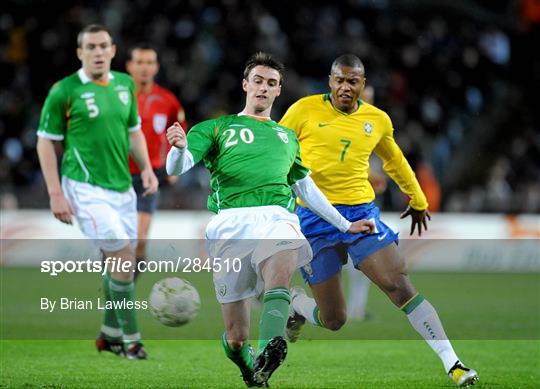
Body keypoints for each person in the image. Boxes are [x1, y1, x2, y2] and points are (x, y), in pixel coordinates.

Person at [165, 52, 375, 387]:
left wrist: (344, 224)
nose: (264, 88)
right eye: (259, 81)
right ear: (246, 85)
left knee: (280, 270)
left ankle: (269, 349)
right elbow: (178, 167)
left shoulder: (287, 137)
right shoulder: (216, 128)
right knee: (235, 337)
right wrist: (177, 149)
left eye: (272, 83)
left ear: (279, 91)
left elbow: (305, 186)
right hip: (230, 223)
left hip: (278, 216)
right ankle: (251, 366)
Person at [279, 54, 479, 387]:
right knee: (334, 319)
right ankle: (298, 307)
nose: (345, 87)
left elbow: (395, 161)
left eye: (352, 81)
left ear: (363, 84)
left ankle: (453, 363)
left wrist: (418, 198)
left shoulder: (377, 120)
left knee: (398, 285)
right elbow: (275, 150)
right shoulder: (302, 110)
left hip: (360, 215)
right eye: (339, 80)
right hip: (314, 220)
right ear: (330, 81)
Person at [36, 24, 158, 360]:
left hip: (123, 190)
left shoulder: (124, 85)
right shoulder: (64, 90)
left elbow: (134, 131)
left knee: (118, 262)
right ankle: (132, 342)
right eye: (91, 47)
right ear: (80, 53)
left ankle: (108, 334)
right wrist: (55, 193)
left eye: (103, 46)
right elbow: (46, 141)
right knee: (122, 257)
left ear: (113, 50)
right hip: (85, 189)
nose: (98, 52)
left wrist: (146, 168)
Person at [126, 43, 187, 277]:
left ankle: (126, 290)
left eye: (149, 62)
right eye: (139, 62)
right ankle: (115, 287)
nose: (144, 67)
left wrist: (174, 163)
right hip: (116, 175)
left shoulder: (167, 100)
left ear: (156, 67)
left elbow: (179, 130)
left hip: (148, 176)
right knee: (115, 242)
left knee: (140, 240)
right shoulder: (117, 96)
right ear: (130, 66)